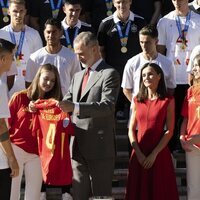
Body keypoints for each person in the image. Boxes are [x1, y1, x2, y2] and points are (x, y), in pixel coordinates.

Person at [58, 31, 120, 200]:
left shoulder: (109, 74)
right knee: (79, 195)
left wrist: (75, 107)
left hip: (99, 147)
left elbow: (107, 106)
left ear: (94, 49)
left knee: (101, 196)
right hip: (77, 146)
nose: (79, 58)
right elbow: (66, 101)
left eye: (81, 54)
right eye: (77, 54)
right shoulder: (77, 76)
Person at [9, 64, 74, 200]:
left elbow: (63, 129)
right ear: (38, 77)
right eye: (46, 79)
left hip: (38, 154)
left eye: (53, 80)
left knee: (34, 196)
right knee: (12, 195)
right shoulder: (19, 97)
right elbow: (5, 126)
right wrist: (8, 155)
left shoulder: (55, 105)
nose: (49, 83)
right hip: (16, 150)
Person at [125, 62, 179, 200]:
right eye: (143, 75)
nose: (146, 77)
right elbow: (131, 129)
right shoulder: (137, 99)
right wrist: (138, 152)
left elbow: (170, 131)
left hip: (159, 154)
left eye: (150, 74)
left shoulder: (168, 100)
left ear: (159, 76)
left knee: (159, 192)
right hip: (139, 153)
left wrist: (154, 154)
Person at [157, 0, 200, 151]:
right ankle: (171, 147)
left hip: (193, 78)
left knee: (190, 113)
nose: (177, 2)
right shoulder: (164, 21)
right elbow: (160, 51)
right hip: (171, 78)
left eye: (180, 0)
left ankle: (189, 144)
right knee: (171, 115)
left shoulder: (198, 20)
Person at [98, 0, 146, 121]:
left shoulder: (140, 21)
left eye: (124, 2)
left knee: (136, 105)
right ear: (113, 3)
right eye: (118, 2)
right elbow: (101, 50)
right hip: (113, 70)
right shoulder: (106, 24)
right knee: (114, 107)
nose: (121, 5)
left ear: (130, 2)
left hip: (136, 70)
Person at [25, 18, 81, 96]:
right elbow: (29, 84)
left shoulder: (72, 56)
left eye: (54, 32)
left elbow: (77, 82)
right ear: (44, 33)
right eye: (48, 32)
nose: (51, 35)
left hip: (64, 104)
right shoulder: (34, 58)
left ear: (61, 33)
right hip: (41, 104)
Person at [122, 24, 176, 103]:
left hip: (159, 110)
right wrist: (137, 105)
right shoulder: (131, 63)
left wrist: (161, 104)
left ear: (156, 42)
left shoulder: (167, 63)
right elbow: (126, 89)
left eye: (147, 42)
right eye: (141, 42)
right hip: (138, 111)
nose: (144, 46)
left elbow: (171, 89)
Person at [1, 0, 43, 97]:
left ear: (25, 12)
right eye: (15, 11)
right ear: (8, 11)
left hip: (28, 90)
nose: (18, 15)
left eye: (21, 11)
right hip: (5, 91)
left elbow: (39, 64)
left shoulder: (34, 34)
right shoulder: (1, 34)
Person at [0, 38, 19, 200]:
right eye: (12, 57)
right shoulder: (0, 85)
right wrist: (12, 158)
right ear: (3, 59)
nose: (13, 61)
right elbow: (0, 127)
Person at [180, 54, 200, 200]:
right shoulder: (190, 91)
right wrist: (182, 136)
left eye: (196, 65)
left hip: (195, 140)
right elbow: (186, 117)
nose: (193, 69)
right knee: (193, 189)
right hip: (192, 145)